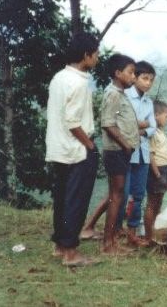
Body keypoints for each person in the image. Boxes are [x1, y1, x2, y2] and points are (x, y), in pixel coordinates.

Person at [44, 32, 100, 266]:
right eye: (95, 54)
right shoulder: (79, 83)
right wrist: (89, 145)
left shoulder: (59, 77)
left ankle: (60, 245)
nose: (97, 59)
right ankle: (71, 252)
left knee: (63, 198)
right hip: (76, 149)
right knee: (76, 199)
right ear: (86, 56)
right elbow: (73, 121)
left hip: (58, 148)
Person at [99, 53, 140, 256]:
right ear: (117, 73)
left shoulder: (120, 93)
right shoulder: (114, 94)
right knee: (116, 196)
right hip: (116, 152)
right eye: (130, 72)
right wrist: (125, 144)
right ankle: (108, 243)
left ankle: (113, 239)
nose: (133, 77)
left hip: (120, 152)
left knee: (118, 195)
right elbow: (107, 123)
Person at [118, 60, 156, 246]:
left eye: (151, 80)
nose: (148, 83)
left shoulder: (148, 102)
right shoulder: (125, 96)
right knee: (122, 194)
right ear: (136, 77)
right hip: (126, 151)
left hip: (143, 153)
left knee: (138, 195)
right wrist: (141, 126)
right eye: (145, 78)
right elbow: (124, 126)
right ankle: (116, 231)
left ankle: (132, 232)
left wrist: (140, 128)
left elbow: (152, 127)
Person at [143, 99, 167, 242]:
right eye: (166, 116)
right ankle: (149, 236)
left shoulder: (160, 132)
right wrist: (156, 173)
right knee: (152, 202)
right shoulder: (153, 132)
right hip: (158, 170)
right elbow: (150, 154)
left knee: (158, 202)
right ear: (156, 115)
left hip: (165, 169)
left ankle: (155, 232)